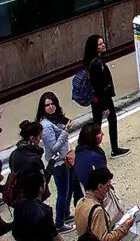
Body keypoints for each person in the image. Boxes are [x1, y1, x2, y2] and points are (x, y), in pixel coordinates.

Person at [82, 36, 128, 158]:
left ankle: (92, 149)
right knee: (109, 121)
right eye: (100, 44)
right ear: (94, 47)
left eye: (102, 43)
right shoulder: (96, 63)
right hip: (102, 97)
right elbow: (98, 86)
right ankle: (114, 149)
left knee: (97, 124)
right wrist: (105, 106)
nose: (103, 45)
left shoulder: (91, 61)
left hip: (97, 98)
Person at [37, 93, 76, 232]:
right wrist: (65, 132)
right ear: (42, 107)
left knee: (69, 189)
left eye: (52, 103)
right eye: (47, 105)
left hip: (65, 158)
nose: (51, 107)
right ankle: (59, 223)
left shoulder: (54, 119)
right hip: (58, 163)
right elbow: (53, 148)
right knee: (62, 192)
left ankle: (65, 214)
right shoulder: (46, 125)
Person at [73, 167, 133, 241]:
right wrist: (125, 227)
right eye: (108, 186)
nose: (109, 189)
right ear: (100, 187)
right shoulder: (97, 210)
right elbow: (105, 239)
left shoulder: (80, 202)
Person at [10, 168, 57, 241]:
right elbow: (54, 235)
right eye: (44, 183)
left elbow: (15, 232)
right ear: (41, 188)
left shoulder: (19, 205)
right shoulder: (45, 211)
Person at [72, 122, 107, 194]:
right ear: (93, 137)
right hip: (98, 192)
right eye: (99, 133)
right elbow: (104, 177)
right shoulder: (95, 157)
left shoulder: (79, 152)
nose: (102, 134)